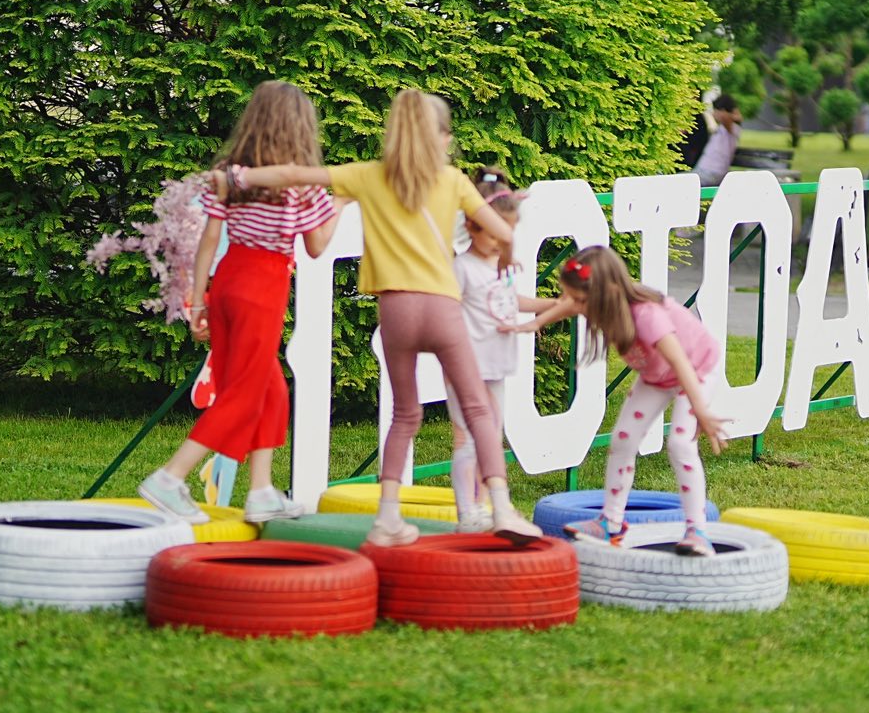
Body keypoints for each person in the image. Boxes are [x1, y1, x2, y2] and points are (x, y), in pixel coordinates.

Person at [227, 89, 541, 546]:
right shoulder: (452, 181)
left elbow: (297, 173)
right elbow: (499, 227)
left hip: (396, 312)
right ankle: (502, 507)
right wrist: (509, 255)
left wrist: (241, 176)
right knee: (477, 411)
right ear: (439, 138)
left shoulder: (367, 176)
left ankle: (387, 518)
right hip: (440, 307)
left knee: (405, 415)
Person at [136, 82, 342, 525]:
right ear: (301, 129)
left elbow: (211, 239)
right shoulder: (303, 185)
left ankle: (262, 491)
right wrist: (342, 200)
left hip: (228, 281)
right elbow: (318, 246)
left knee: (270, 390)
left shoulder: (232, 172)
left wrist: (198, 300)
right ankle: (169, 478)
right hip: (262, 287)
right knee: (245, 395)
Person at [507, 245, 729, 557]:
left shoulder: (647, 316)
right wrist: (534, 323)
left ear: (606, 292)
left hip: (696, 370)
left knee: (680, 445)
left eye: (581, 300)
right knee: (622, 440)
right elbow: (565, 303)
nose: (576, 307)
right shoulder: (599, 301)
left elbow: (681, 363)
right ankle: (610, 521)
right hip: (656, 375)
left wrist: (702, 412)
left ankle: (697, 531)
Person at [446, 167, 560, 532]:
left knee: (491, 439)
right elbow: (446, 311)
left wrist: (554, 304)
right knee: (466, 439)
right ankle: (469, 512)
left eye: (508, 232)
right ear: (472, 225)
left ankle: (485, 506)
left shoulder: (503, 266)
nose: (501, 240)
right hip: (467, 367)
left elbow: (512, 301)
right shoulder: (461, 267)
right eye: (495, 232)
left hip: (496, 365)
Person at [691, 94, 742, 186]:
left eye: (716, 110)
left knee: (676, 182)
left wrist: (735, 115)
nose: (713, 113)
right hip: (704, 171)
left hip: (712, 173)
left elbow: (726, 118)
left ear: (722, 111)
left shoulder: (732, 128)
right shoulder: (723, 128)